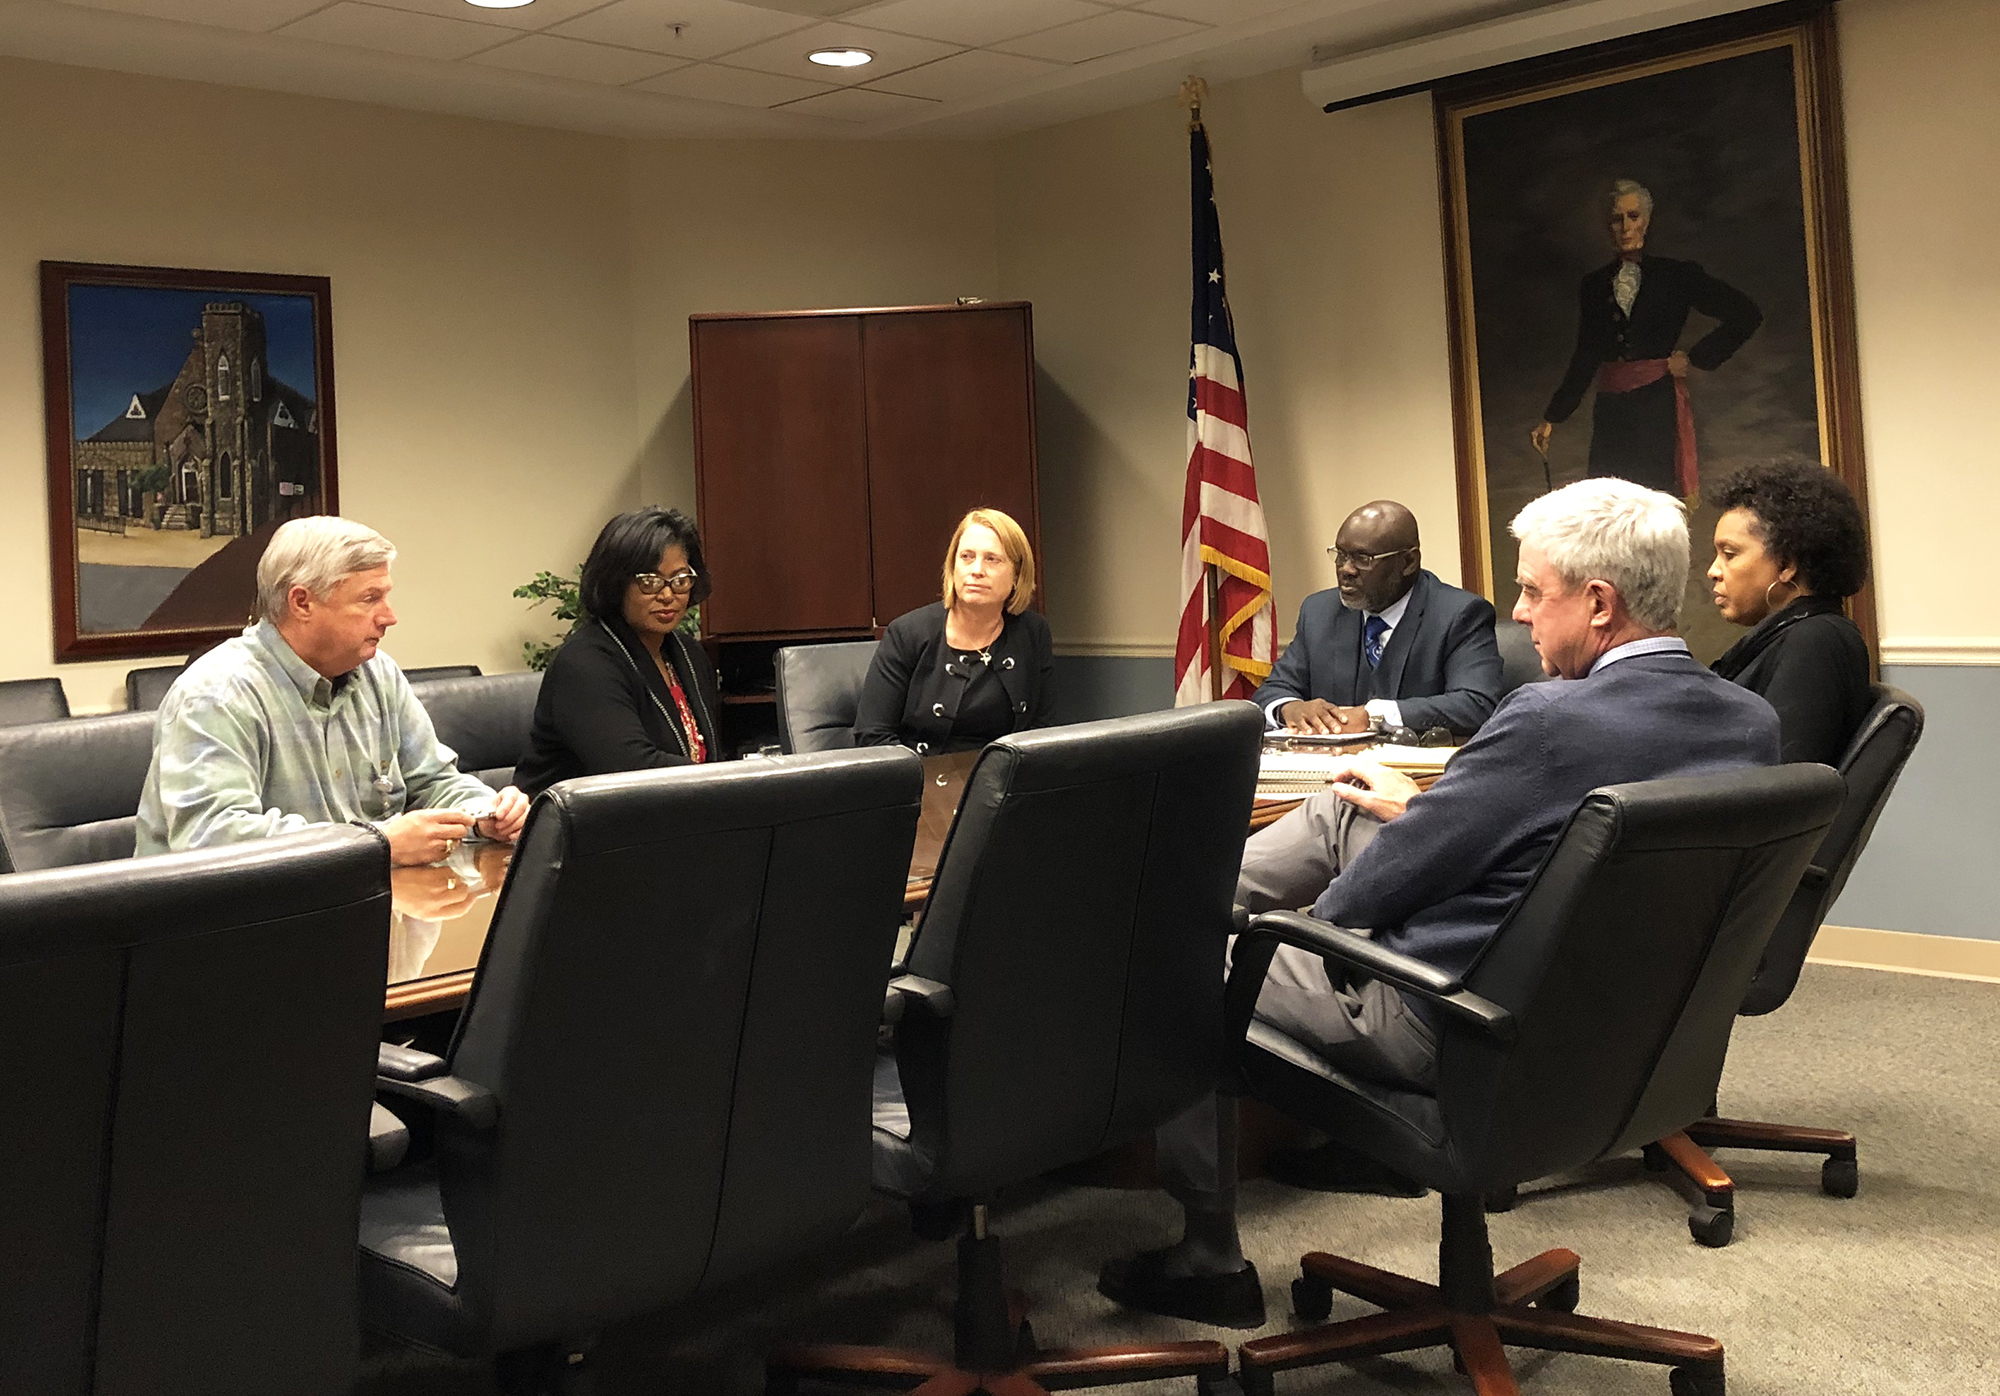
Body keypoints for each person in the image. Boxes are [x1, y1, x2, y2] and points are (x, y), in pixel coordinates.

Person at [1098, 478, 1780, 1330]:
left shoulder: (1547, 720)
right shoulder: (1749, 725)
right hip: (1610, 1032)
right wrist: (1413, 809)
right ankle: (1171, 899)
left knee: (1175, 951)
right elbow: (1552, 849)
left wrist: (1272, 935)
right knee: (1348, 806)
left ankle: (1206, 1258)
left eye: (1534, 592)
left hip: (1448, 1024)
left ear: (1600, 604)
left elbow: (1363, 900)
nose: (1521, 614)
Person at [136, 516, 530, 866]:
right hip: (224, 929)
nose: (390, 617)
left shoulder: (378, 674)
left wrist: (485, 813)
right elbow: (215, 839)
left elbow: (432, 781)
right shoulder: (217, 694)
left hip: (357, 906)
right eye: (370, 598)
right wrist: (376, 845)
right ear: (302, 602)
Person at [1531, 179, 1762, 498]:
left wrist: (1695, 357)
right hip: (1611, 412)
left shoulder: (1677, 276)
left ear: (1647, 221)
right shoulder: (1594, 285)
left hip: (1657, 408)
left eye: (1633, 216)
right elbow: (1586, 356)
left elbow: (1745, 314)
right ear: (1608, 225)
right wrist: (1552, 417)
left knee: (1656, 504)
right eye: (1617, 219)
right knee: (1607, 505)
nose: (1626, 227)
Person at [514, 507, 723, 797]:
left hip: (672, 819)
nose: (667, 595)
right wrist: (726, 782)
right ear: (616, 582)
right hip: (576, 833)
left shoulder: (688, 652)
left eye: (680, 580)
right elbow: (631, 768)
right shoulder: (585, 663)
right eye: (649, 582)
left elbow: (710, 752)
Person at [1249, 501, 1502, 737]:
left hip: (1419, 776)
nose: (1346, 569)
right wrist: (1289, 709)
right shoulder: (1319, 612)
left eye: (1363, 559)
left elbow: (1475, 704)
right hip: (1329, 772)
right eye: (1340, 555)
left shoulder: (1460, 615)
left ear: (1409, 562)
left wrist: (1375, 716)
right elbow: (1272, 691)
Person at [1707, 457, 1872, 766]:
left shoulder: (1817, 641)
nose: (1714, 571)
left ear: (1786, 564)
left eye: (1730, 555)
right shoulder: (1792, 635)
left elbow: (1784, 786)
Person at [853, 507, 1054, 754]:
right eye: (967, 557)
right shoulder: (907, 634)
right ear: (953, 567)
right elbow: (872, 737)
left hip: (1003, 783)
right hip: (919, 782)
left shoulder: (1032, 633)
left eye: (992, 559)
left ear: (1017, 575)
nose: (977, 570)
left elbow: (1043, 732)